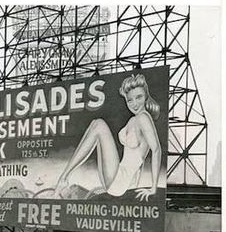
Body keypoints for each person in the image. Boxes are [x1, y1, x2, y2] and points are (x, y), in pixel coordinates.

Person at [54, 73, 161, 201]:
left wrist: (153, 188)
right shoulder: (134, 119)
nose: (134, 104)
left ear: (146, 96)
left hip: (120, 181)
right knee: (95, 126)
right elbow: (140, 155)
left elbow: (156, 150)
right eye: (129, 100)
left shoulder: (144, 118)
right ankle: (64, 177)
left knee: (99, 125)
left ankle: (63, 177)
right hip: (118, 178)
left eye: (139, 97)